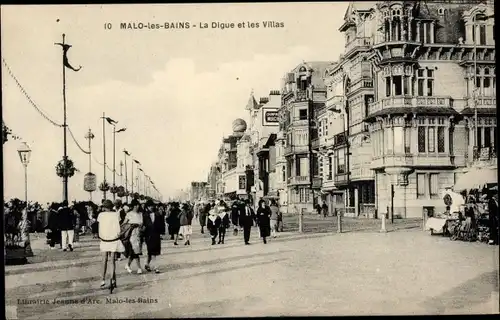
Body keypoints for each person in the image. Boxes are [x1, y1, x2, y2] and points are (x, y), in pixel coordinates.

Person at [97, 199, 125, 293]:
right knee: (112, 261)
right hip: (114, 239)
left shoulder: (101, 215)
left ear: (104, 207)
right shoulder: (116, 214)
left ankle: (102, 279)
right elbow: (118, 226)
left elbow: (99, 227)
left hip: (104, 239)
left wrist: (101, 236)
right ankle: (113, 279)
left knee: (104, 260)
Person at [122, 199, 144, 274]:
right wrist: (131, 225)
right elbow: (124, 224)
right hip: (131, 234)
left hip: (139, 234)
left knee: (134, 251)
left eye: (138, 205)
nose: (138, 206)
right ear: (134, 206)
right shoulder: (129, 214)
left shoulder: (140, 214)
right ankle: (139, 268)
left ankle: (127, 265)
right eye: (136, 205)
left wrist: (141, 227)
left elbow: (142, 223)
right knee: (135, 250)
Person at [143, 200, 163, 273]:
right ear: (147, 207)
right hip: (148, 236)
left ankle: (147, 264)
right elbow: (144, 226)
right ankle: (155, 267)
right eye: (149, 206)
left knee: (153, 252)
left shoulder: (157, 214)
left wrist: (161, 233)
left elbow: (160, 224)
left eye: (152, 206)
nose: (151, 207)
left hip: (156, 235)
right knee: (151, 252)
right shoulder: (144, 215)